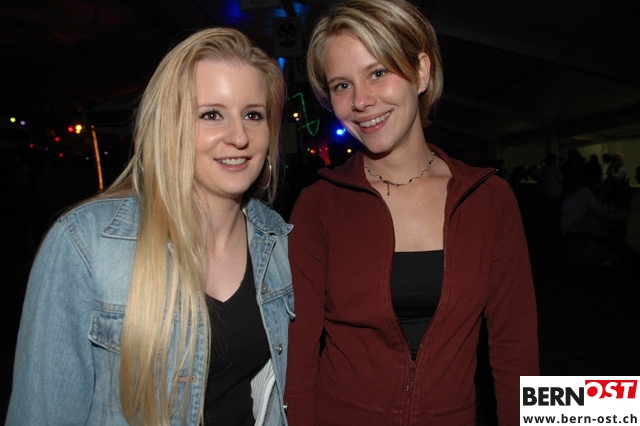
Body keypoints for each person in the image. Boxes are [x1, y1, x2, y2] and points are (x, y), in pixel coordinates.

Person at [7, 27, 292, 426]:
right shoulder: (86, 243)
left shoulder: (276, 242)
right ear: (169, 125)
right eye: (211, 114)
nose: (239, 136)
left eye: (252, 115)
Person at [283, 1, 539, 425]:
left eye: (377, 73)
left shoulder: (488, 199)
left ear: (421, 71)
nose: (361, 101)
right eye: (342, 85)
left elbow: (516, 347)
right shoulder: (319, 205)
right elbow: (297, 353)